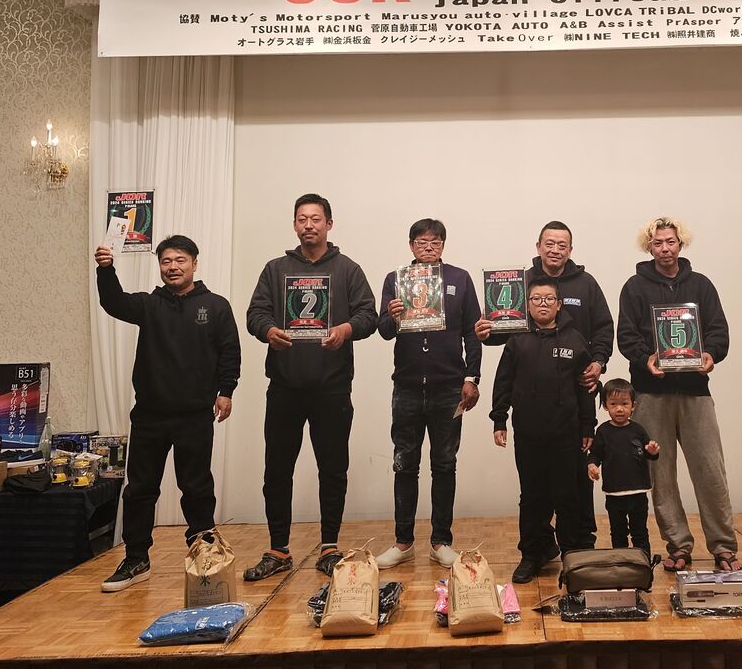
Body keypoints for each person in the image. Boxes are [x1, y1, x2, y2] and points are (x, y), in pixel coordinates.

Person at [93, 234, 240, 592]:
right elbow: (113, 302)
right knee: (140, 490)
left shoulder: (216, 306)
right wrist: (106, 270)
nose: (173, 267)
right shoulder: (149, 305)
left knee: (197, 487)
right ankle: (136, 559)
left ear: (194, 263)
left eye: (180, 260)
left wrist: (226, 391)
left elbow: (229, 351)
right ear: (159, 266)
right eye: (166, 261)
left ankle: (205, 557)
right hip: (150, 415)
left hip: (195, 414)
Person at [244, 193, 377, 581]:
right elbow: (255, 313)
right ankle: (278, 549)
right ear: (294, 225)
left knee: (332, 468)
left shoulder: (348, 269)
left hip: (332, 387)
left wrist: (346, 329)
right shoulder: (276, 269)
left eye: (315, 219)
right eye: (301, 219)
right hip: (284, 386)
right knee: (277, 469)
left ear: (329, 224)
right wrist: (268, 330)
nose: (308, 225)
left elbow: (368, 315)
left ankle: (330, 546)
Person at [475, 220, 614, 548]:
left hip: (574, 396)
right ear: (538, 246)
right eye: (549, 243)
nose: (555, 249)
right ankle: (539, 547)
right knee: (535, 488)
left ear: (570, 249)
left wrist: (598, 362)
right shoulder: (520, 283)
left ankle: (580, 546)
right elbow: (506, 336)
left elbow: (604, 328)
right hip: (532, 406)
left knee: (576, 483)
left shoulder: (586, 284)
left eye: (562, 245)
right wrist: (486, 333)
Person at [616, 217, 742, 572]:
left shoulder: (701, 285)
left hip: (695, 392)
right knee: (661, 476)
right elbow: (626, 336)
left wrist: (710, 354)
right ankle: (678, 546)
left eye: (670, 242)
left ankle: (723, 547)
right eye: (658, 243)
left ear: (680, 244)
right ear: (649, 247)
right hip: (650, 393)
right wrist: (646, 359)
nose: (665, 248)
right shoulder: (634, 287)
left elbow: (718, 331)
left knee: (710, 471)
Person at [373, 218, 482, 570]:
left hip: (449, 386)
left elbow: (472, 332)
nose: (429, 247)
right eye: (422, 242)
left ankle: (441, 542)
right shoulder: (396, 279)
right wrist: (392, 316)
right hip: (406, 386)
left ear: (444, 245)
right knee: (404, 464)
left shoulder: (459, 279)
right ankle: (403, 542)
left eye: (435, 242)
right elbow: (383, 330)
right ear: (411, 246)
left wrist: (472, 377)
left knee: (445, 464)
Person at [489, 279, 595, 583]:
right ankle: (531, 554)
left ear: (559, 305)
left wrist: (588, 426)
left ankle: (571, 556)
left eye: (549, 298)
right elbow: (503, 381)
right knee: (532, 496)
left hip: (566, 433)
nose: (543, 304)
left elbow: (586, 388)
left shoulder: (575, 340)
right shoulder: (517, 340)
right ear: (528, 305)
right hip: (528, 432)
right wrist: (499, 419)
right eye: (536, 299)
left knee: (567, 495)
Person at [587, 378, 660, 559]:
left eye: (624, 404)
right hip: (614, 493)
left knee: (640, 532)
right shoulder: (603, 431)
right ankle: (621, 563)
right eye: (613, 404)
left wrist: (652, 451)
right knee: (618, 532)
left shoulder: (638, 430)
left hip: (638, 492)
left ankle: (643, 564)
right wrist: (592, 465)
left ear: (633, 406)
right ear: (605, 406)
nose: (619, 409)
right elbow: (595, 454)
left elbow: (649, 454)